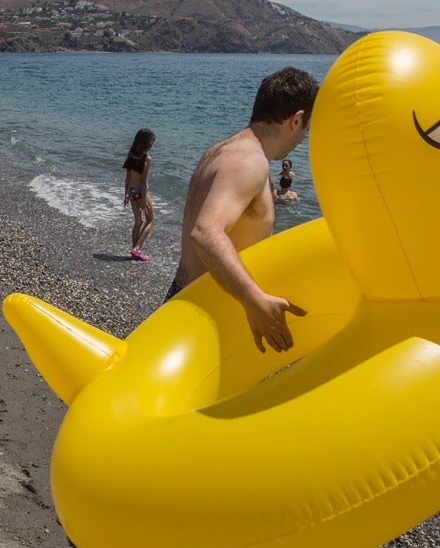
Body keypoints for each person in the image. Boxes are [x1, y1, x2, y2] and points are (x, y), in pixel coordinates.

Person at [170, 66, 318, 353]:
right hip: (208, 317)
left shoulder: (220, 150)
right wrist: (255, 301)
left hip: (183, 300)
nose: (303, 140)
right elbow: (205, 232)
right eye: (307, 129)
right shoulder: (249, 162)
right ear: (296, 120)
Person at [122, 128, 156, 261]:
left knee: (138, 221)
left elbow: (128, 177)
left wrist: (126, 194)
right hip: (141, 192)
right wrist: (143, 199)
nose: (152, 144)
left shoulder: (131, 156)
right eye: (151, 142)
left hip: (131, 191)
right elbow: (144, 181)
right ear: (146, 143)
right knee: (150, 220)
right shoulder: (147, 158)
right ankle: (137, 248)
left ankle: (134, 251)